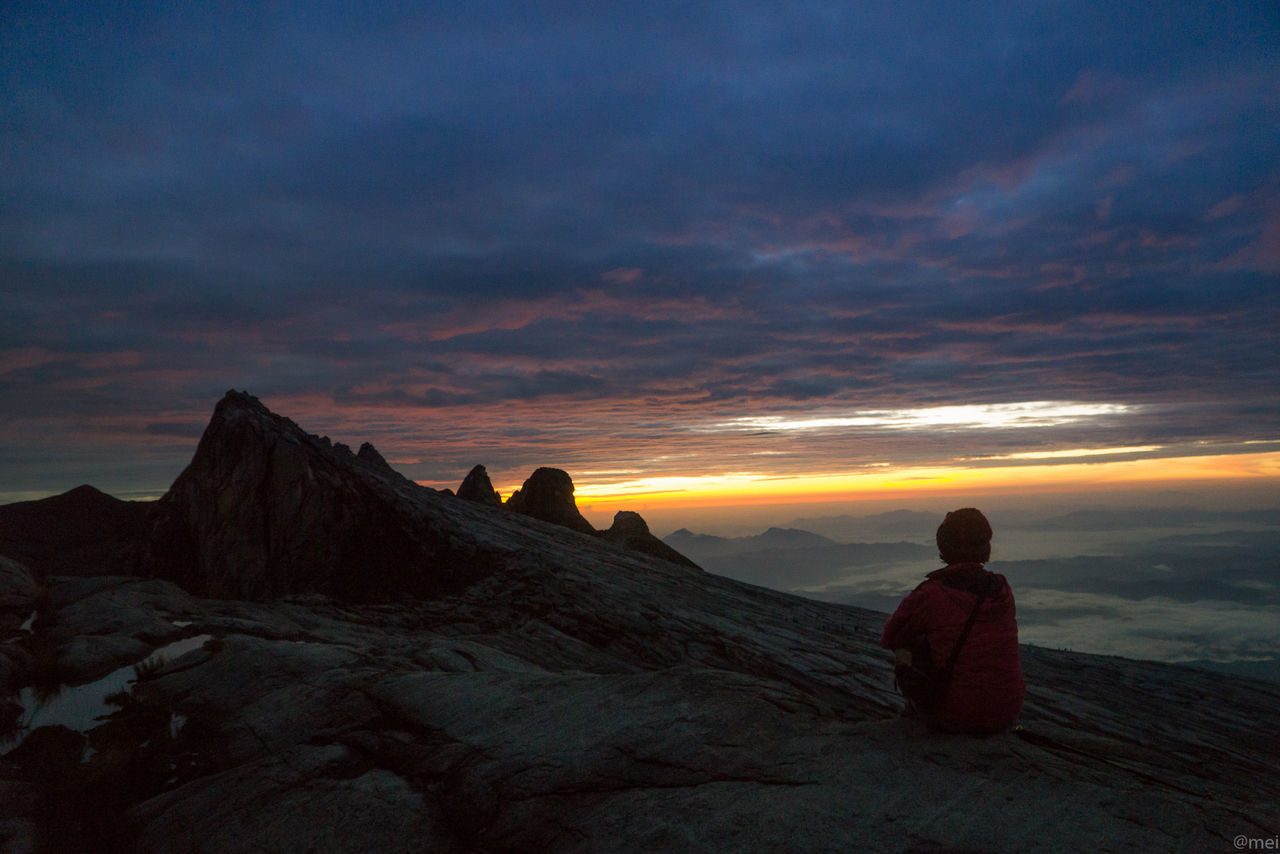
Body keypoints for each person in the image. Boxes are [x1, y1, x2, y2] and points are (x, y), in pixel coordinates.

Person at [881, 508, 1024, 734]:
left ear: (943, 545)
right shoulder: (1001, 588)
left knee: (909, 644)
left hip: (955, 716)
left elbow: (891, 636)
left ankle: (914, 719)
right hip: (1006, 714)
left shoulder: (932, 594)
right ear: (985, 548)